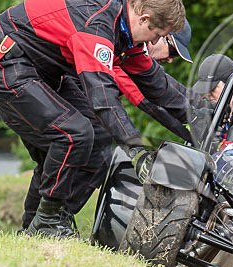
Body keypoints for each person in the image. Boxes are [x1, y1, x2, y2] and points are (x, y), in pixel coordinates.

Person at [0, 0, 187, 238]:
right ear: (144, 19)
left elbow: (159, 87)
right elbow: (102, 95)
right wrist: (136, 148)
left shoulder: (122, 27)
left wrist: (204, 115)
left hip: (40, 72)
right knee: (74, 134)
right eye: (159, 35)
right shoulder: (96, 23)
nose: (155, 42)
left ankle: (38, 225)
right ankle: (47, 221)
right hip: (1, 65)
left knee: (98, 141)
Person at [16, 18, 196, 233]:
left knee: (59, 161)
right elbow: (150, 104)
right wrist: (194, 134)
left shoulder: (130, 54)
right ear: (159, 35)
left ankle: (36, 226)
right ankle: (49, 221)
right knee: (98, 154)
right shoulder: (123, 57)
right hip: (35, 91)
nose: (171, 60)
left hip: (47, 93)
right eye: (173, 51)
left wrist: (200, 117)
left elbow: (170, 91)